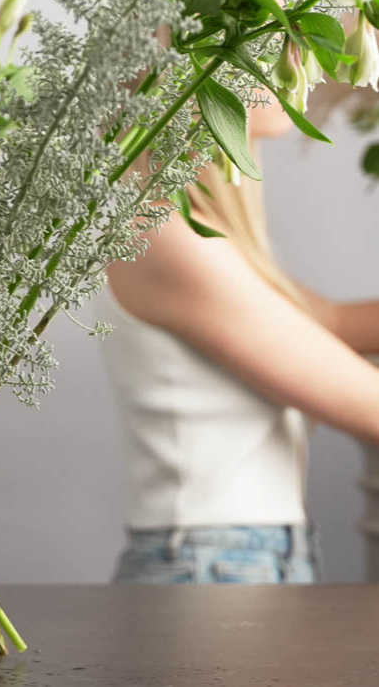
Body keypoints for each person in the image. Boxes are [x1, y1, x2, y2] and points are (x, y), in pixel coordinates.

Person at [100, 81, 379, 584]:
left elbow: (333, 324)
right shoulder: (162, 235)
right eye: (277, 41)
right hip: (214, 566)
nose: (300, 67)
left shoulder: (190, 230)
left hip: (232, 558)